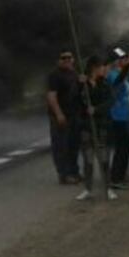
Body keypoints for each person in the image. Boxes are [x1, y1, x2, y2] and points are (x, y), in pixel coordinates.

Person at [75, 56, 118, 201]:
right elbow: (75, 100)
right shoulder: (83, 84)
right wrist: (79, 85)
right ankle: (88, 189)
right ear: (94, 68)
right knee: (88, 159)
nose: (104, 69)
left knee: (105, 159)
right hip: (86, 126)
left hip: (101, 126)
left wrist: (97, 109)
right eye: (101, 67)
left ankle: (109, 188)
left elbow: (111, 101)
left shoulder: (105, 84)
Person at [47, 49, 82, 184]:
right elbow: (51, 96)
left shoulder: (74, 73)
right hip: (61, 116)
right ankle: (64, 174)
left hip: (74, 114)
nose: (67, 60)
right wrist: (58, 113)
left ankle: (74, 171)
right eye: (64, 58)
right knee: (62, 146)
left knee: (74, 145)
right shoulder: (54, 75)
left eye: (70, 57)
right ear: (58, 60)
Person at [106, 48, 129, 190]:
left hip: (126, 116)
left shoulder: (122, 74)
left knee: (127, 146)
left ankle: (121, 173)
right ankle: (116, 177)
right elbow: (118, 82)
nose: (124, 60)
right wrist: (128, 64)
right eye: (122, 58)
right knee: (122, 147)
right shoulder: (112, 75)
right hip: (117, 116)